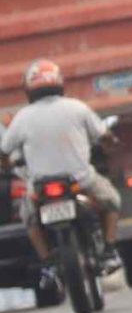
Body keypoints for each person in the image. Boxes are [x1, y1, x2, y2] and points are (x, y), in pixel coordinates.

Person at [2, 60, 122, 273]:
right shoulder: (77, 108)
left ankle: (47, 263)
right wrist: (110, 143)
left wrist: (8, 165)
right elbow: (104, 135)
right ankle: (110, 250)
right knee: (111, 201)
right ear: (58, 82)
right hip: (81, 181)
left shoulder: (22, 118)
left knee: (30, 218)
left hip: (40, 187)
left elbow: (4, 151)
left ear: (29, 87)